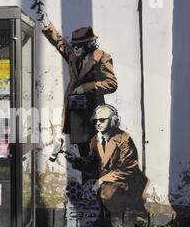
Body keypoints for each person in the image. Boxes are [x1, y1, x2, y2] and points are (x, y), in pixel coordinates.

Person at [38, 13, 118, 161]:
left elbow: (112, 83)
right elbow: (60, 43)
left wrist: (86, 87)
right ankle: (88, 183)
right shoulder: (74, 57)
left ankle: (97, 182)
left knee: (96, 156)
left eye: (77, 46)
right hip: (76, 114)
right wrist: (46, 23)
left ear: (88, 45)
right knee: (83, 157)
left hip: (93, 114)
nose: (74, 48)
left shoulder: (102, 58)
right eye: (73, 45)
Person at [66, 105, 148, 215]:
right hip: (107, 186)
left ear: (113, 120)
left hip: (126, 184)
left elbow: (127, 169)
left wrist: (101, 180)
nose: (98, 123)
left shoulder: (124, 139)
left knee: (108, 196)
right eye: (95, 121)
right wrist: (75, 160)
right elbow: (92, 163)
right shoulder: (95, 139)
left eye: (102, 120)